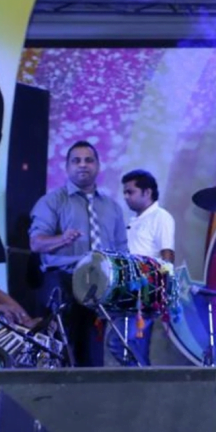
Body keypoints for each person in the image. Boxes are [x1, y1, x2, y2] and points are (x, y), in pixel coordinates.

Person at [29, 140, 128, 367]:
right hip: (64, 280)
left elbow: (122, 251)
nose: (83, 165)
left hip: (101, 287)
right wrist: (62, 239)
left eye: (88, 160)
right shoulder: (52, 201)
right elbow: (36, 243)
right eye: (76, 161)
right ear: (67, 167)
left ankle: (92, 388)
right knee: (64, 352)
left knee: (93, 355)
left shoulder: (112, 207)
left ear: (98, 166)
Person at [105, 169, 176, 366]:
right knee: (127, 344)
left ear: (147, 192)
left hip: (145, 291)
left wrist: (161, 291)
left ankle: (143, 379)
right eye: (124, 192)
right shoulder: (133, 221)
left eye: (130, 192)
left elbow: (168, 255)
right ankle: (139, 379)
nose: (126, 197)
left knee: (124, 343)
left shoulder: (161, 217)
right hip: (127, 291)